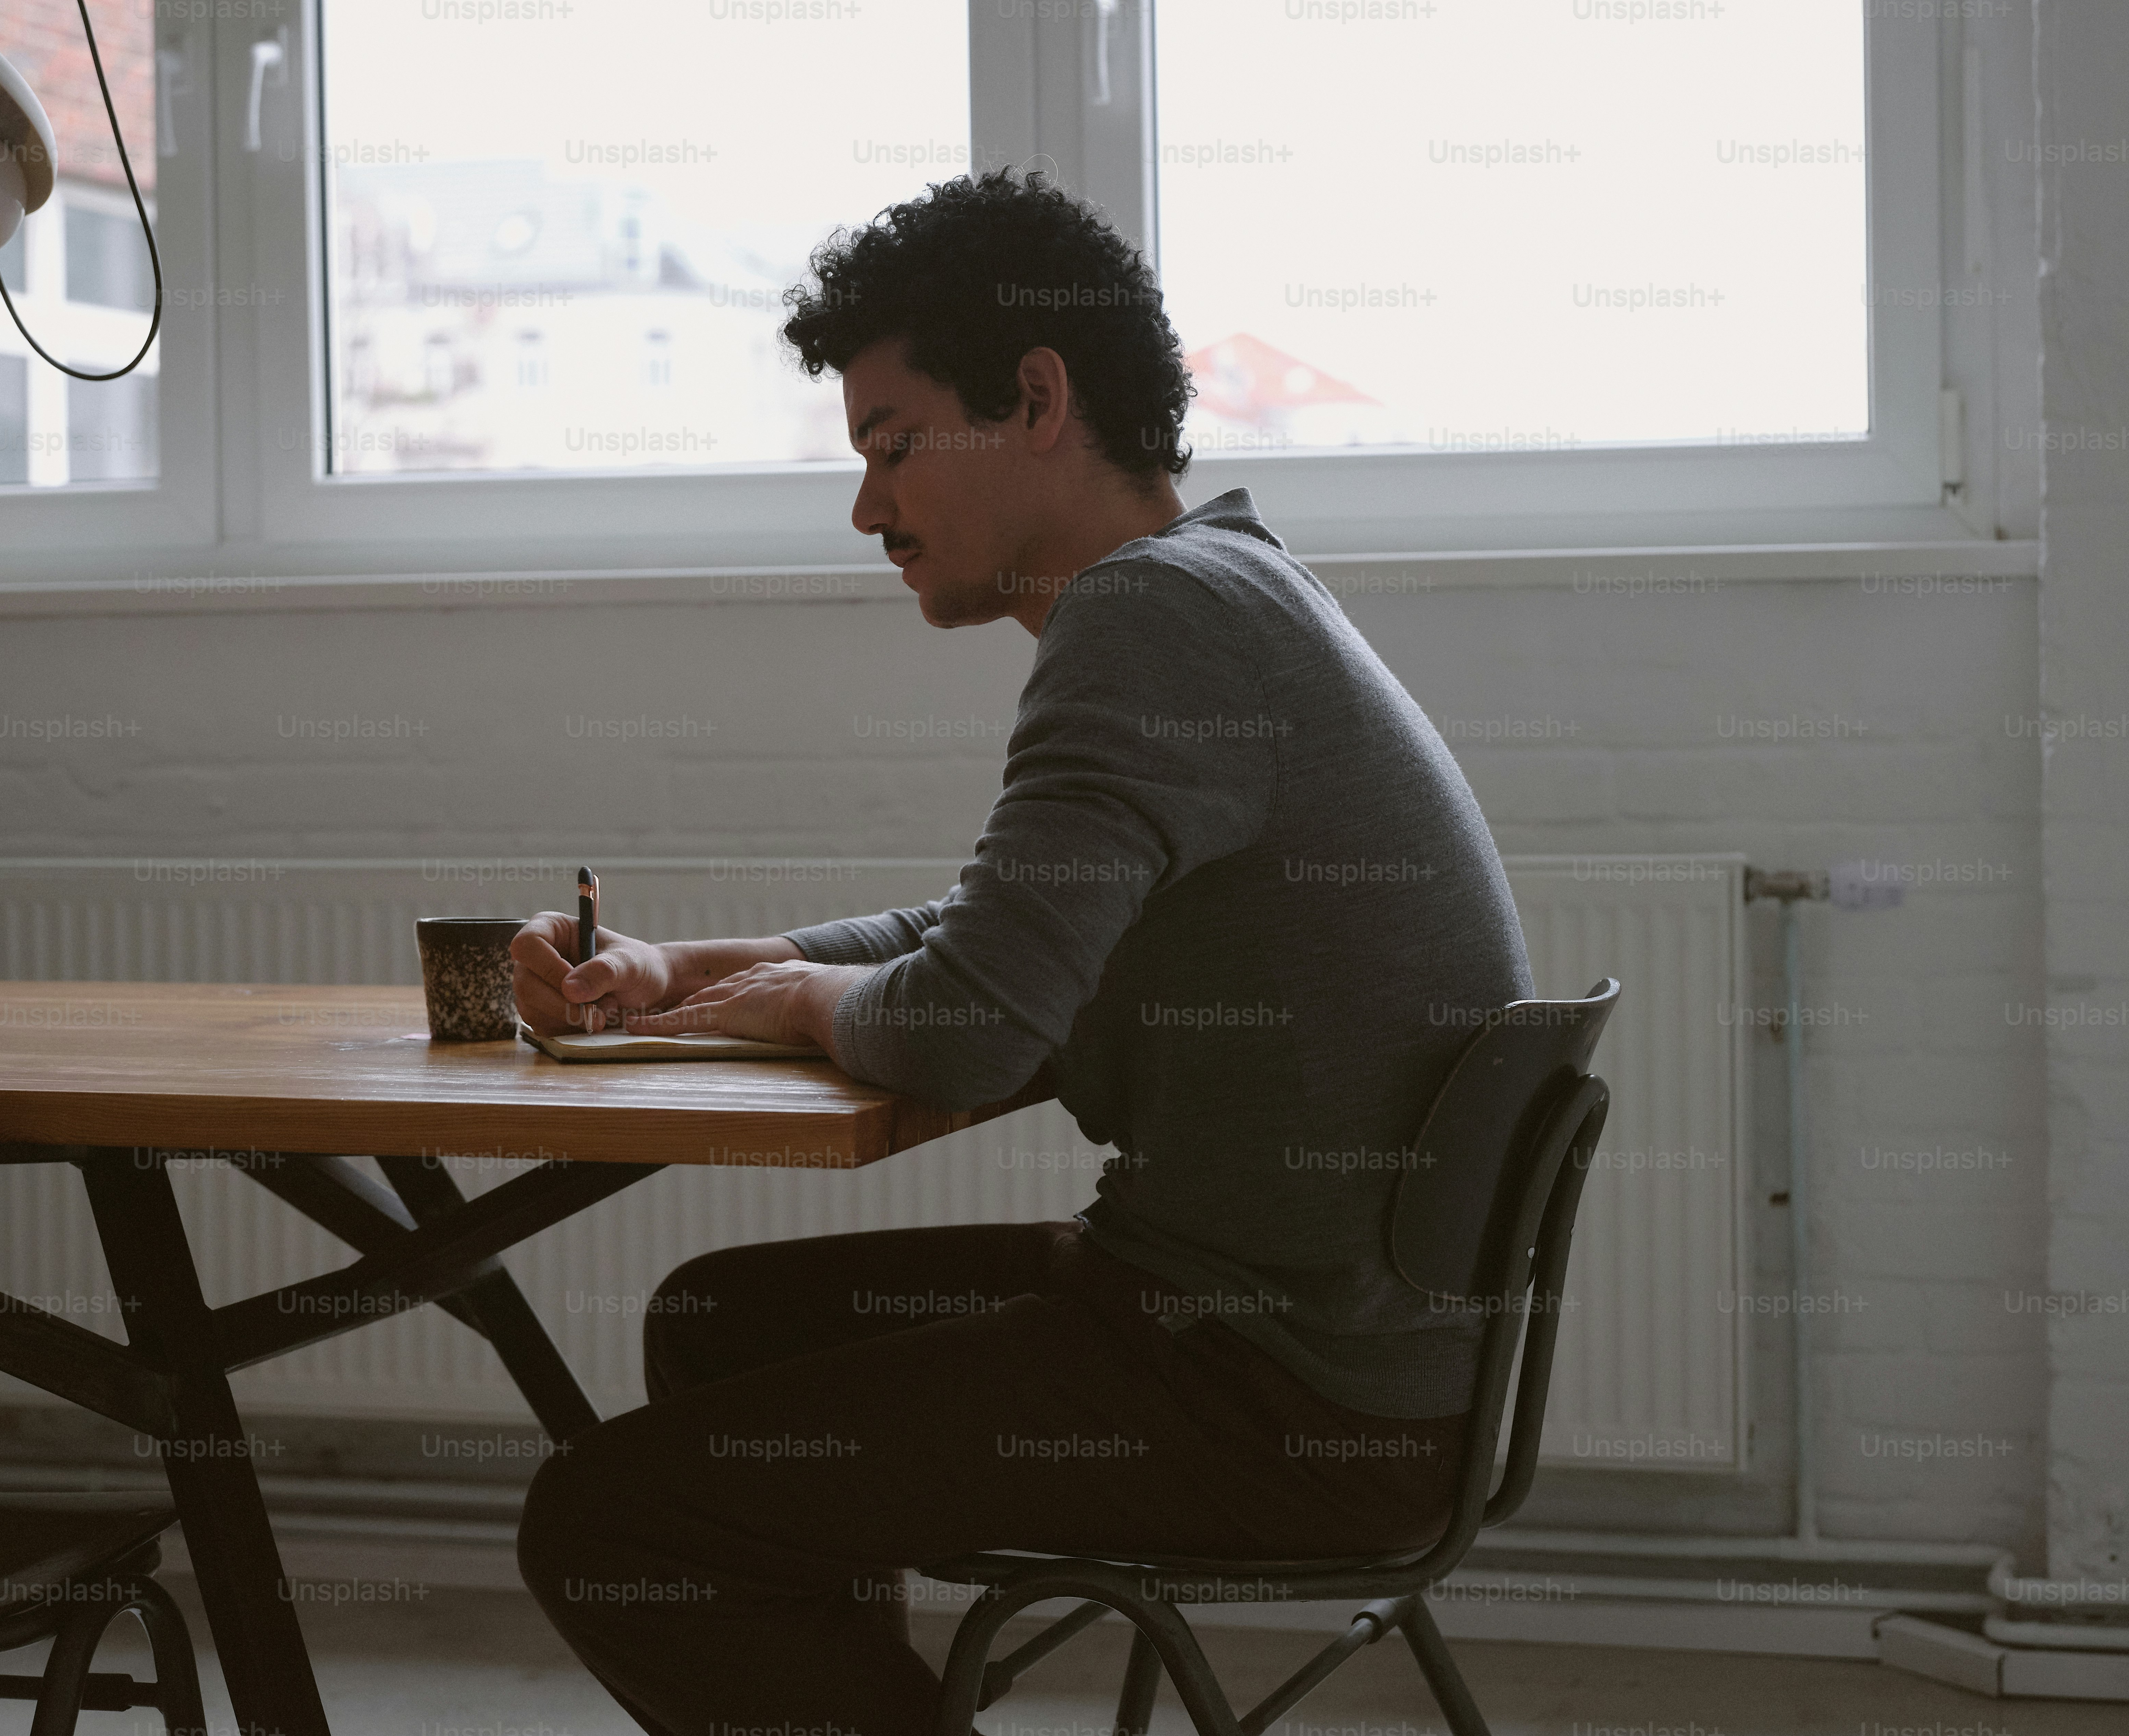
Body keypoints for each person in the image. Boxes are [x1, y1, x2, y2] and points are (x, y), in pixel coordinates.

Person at [511, 168, 1531, 1736]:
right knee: (725, 1323)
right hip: (1321, 1354)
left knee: (607, 1521)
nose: (867, 510)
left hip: (1272, 1391)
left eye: (894, 445)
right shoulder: (1227, 590)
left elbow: (973, 1022)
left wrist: (801, 1004)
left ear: (1037, 397)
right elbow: (989, 944)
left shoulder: (1150, 620)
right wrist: (694, 973)